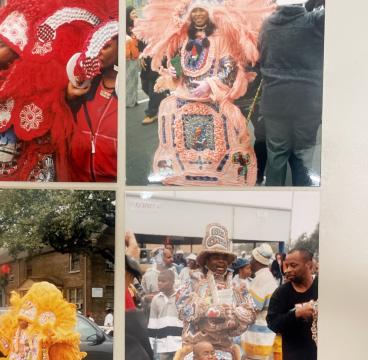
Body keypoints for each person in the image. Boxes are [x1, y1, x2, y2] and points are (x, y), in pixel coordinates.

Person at [0, 0, 106, 182]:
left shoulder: (32, 87)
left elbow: (48, 114)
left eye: (1, 45)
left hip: (20, 173)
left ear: (16, 51)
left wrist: (66, 95)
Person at [134, 0, 275, 185]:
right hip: (187, 99)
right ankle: (186, 172)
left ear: (209, 14)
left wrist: (209, 84)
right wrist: (174, 73)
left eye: (201, 12)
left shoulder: (220, 37)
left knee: (226, 139)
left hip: (213, 99)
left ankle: (225, 175)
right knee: (182, 138)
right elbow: (182, 65)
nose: (198, 15)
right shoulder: (186, 38)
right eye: (194, 12)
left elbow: (229, 67)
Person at [258, 0, 325, 186]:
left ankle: (273, 202)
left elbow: (259, 57)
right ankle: (301, 202)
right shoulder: (313, 20)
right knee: (302, 155)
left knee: (276, 155)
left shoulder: (266, 25)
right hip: (306, 101)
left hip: (274, 100)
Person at [175, 224, 256, 360]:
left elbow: (252, 313)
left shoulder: (237, 286)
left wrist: (234, 314)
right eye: (216, 257)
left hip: (224, 348)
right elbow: (182, 311)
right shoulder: (193, 282)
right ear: (206, 260)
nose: (221, 261)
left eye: (224, 258)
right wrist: (208, 309)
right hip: (196, 349)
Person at [66, 18, 118, 182]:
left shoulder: (124, 93)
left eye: (106, 46)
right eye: (96, 46)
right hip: (78, 177)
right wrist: (69, 97)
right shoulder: (85, 85)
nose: (99, 51)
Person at [266, 248, 318, 360]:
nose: (287, 270)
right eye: (287, 265)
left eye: (293, 265)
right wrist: (296, 314)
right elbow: (272, 323)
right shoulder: (281, 293)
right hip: (294, 355)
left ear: (308, 265)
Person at [241, 244, 279, 360]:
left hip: (258, 337)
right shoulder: (266, 277)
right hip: (263, 335)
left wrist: (241, 294)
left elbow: (254, 307)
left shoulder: (261, 279)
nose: (250, 262)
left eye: (251, 259)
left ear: (256, 260)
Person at [148, 270, 183, 360]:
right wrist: (151, 344)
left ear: (172, 282)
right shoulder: (156, 299)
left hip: (179, 342)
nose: (159, 283)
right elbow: (153, 322)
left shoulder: (180, 297)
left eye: (163, 281)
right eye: (158, 281)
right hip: (163, 344)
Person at [126, 6, 140, 107]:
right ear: (128, 15)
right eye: (132, 13)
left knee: (135, 80)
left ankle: (134, 100)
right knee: (128, 80)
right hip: (128, 58)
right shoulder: (125, 27)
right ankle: (128, 102)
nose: (135, 15)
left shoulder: (138, 26)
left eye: (135, 13)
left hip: (136, 57)